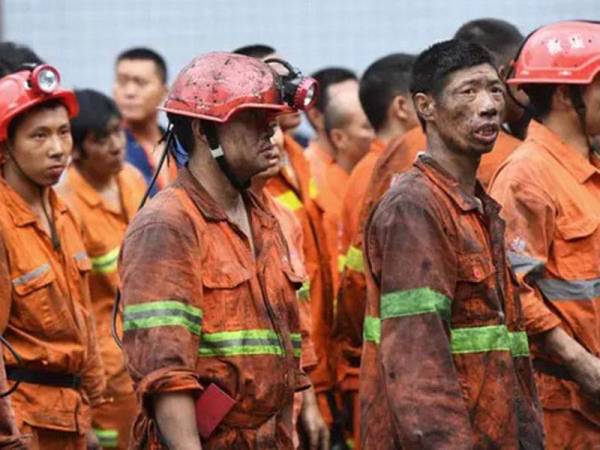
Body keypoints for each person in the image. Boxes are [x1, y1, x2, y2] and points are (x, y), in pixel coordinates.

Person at [119, 51, 319, 449]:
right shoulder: (168, 224)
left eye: (272, 119)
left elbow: (282, 355)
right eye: (253, 120)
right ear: (202, 131)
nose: (271, 132)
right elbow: (165, 375)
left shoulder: (265, 217)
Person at [360, 39, 544, 449]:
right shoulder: (415, 209)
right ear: (425, 106)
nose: (489, 105)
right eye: (469, 91)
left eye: (495, 89)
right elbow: (415, 360)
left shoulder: (478, 208)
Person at [489, 21, 600, 449]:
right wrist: (581, 365)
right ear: (564, 93)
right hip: (564, 404)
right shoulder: (527, 176)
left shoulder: (587, 168)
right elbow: (511, 289)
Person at [0, 64, 106, 449]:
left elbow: (84, 316)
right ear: (5, 145)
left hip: (70, 417)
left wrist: (90, 415)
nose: (58, 148)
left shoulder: (63, 211)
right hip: (24, 422)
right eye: (39, 136)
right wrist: (6, 433)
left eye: (63, 132)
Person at [234, 45, 337, 436]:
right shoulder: (197, 206)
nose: (288, 87)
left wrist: (308, 394)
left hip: (297, 384)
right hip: (239, 406)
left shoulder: (296, 162)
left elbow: (298, 307)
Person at [56, 89, 146, 449]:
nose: (115, 145)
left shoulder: (132, 179)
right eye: (101, 139)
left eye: (117, 132)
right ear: (77, 149)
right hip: (108, 371)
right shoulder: (67, 205)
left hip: (147, 353)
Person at [113, 47, 174, 195]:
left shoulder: (181, 146)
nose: (130, 92)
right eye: (122, 82)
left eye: (141, 83)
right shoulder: (105, 150)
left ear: (164, 92)